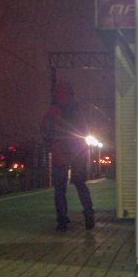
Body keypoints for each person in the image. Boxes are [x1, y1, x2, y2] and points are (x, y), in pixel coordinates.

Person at [41, 81, 95, 231]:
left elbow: (45, 131)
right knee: (80, 184)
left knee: (60, 189)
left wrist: (51, 145)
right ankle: (89, 213)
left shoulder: (52, 111)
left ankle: (62, 220)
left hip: (59, 151)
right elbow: (87, 128)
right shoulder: (79, 109)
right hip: (78, 151)